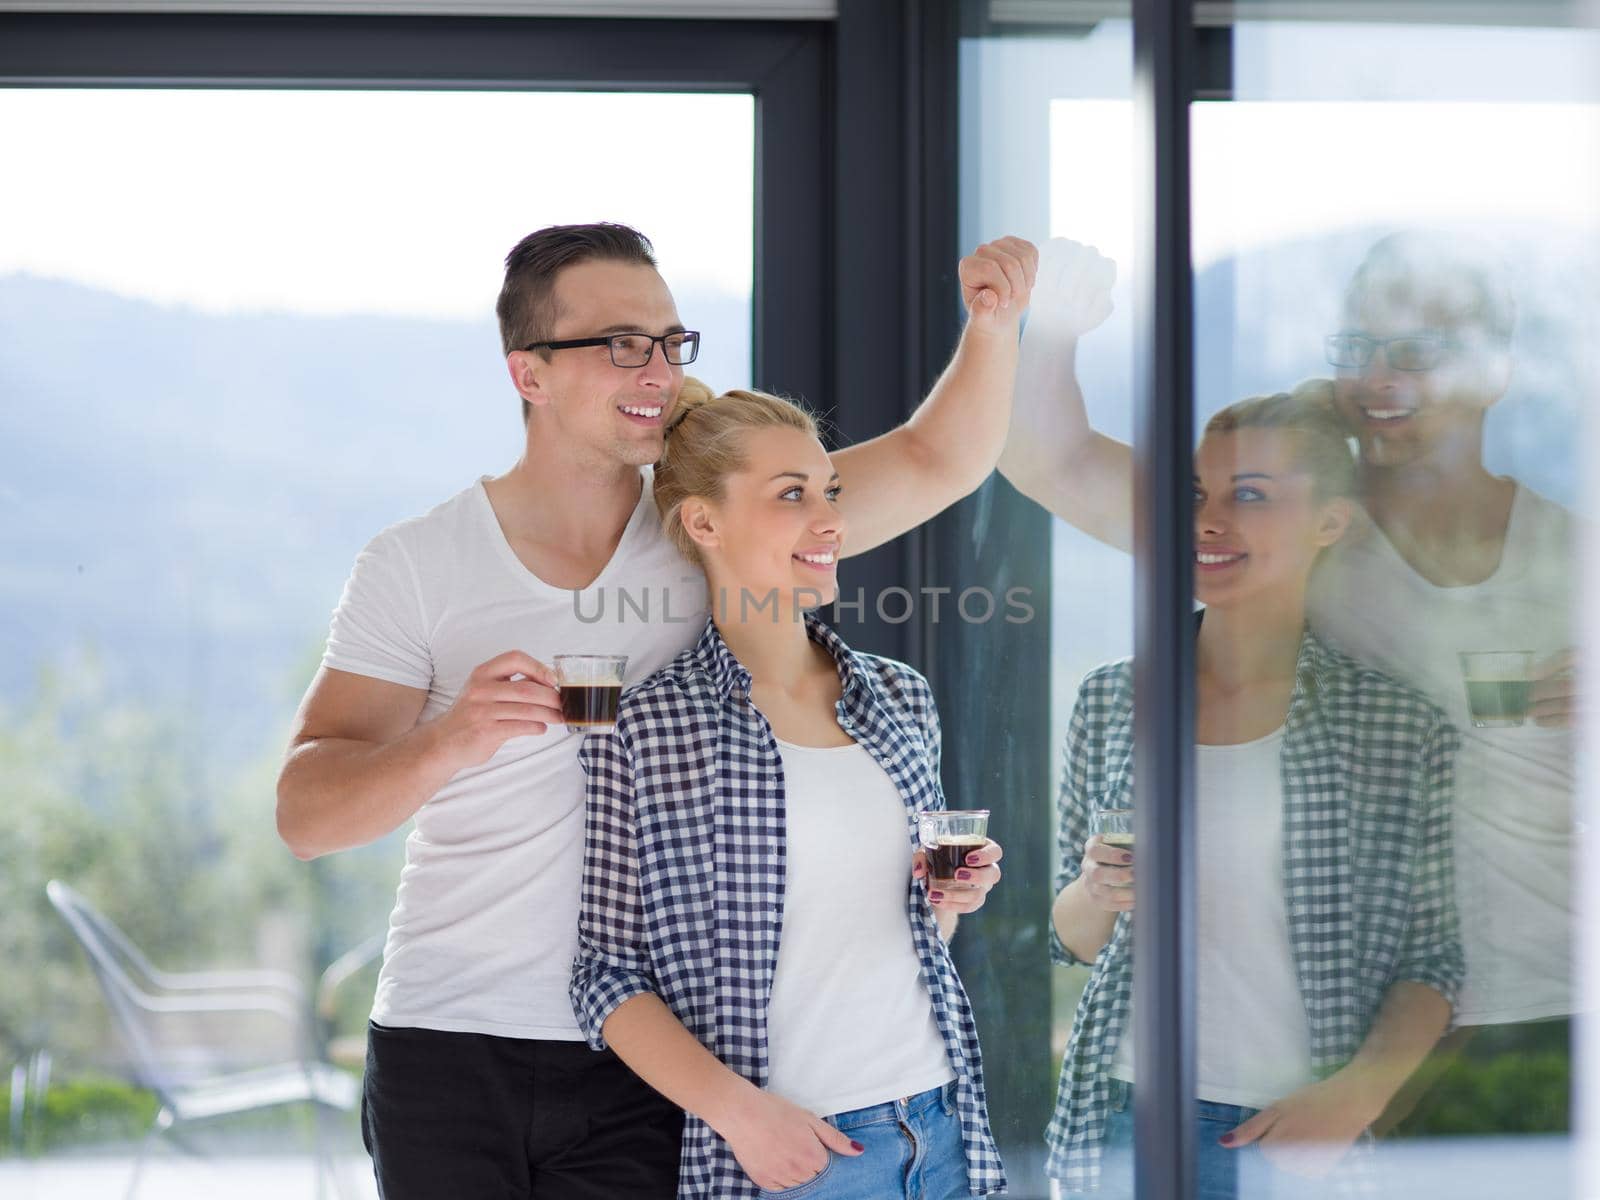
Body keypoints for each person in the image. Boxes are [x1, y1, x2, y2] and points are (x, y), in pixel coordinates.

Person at [274, 221, 1037, 1198]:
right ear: (528, 373)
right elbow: (305, 814)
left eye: (672, 342)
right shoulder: (417, 565)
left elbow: (938, 460)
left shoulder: (716, 524)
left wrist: (995, 323)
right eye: (619, 343)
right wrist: (446, 740)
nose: (657, 366)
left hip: (658, 1056)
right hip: (449, 1039)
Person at [1001, 233, 1579, 1128]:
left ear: (1496, 368)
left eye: (1415, 354)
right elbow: (1048, 459)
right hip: (1363, 1030)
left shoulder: (1572, 554)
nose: (1378, 378)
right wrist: (1055, 319)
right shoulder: (1299, 532)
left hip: (1552, 1003)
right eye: (1357, 351)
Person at [571, 382, 1007, 1200]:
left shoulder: (899, 697)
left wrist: (954, 892)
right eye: (793, 495)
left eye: (830, 492)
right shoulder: (652, 727)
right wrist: (740, 1116)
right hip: (798, 1159)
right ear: (704, 523)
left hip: (944, 1131)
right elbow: (603, 973)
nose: (831, 519)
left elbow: (913, 931)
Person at [1047, 392, 1463, 1198]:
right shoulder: (1112, 700)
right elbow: (1072, 937)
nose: (1207, 520)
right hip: (1122, 1122)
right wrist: (1098, 889)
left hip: (1297, 1133)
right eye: (1197, 495)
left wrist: (1355, 1098)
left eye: (1250, 495)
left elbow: (1433, 960)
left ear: (1331, 523)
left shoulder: (1393, 727)